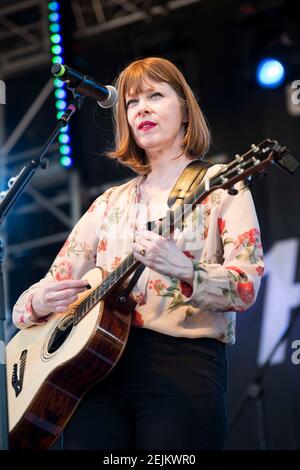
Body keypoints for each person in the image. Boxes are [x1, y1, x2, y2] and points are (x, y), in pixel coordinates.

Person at [12, 57, 264, 450]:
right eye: (131, 102)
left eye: (155, 96)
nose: (141, 108)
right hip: (93, 375)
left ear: (184, 111)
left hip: (180, 368)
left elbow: (246, 286)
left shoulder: (222, 185)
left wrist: (185, 269)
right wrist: (38, 300)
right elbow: (34, 298)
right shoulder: (108, 203)